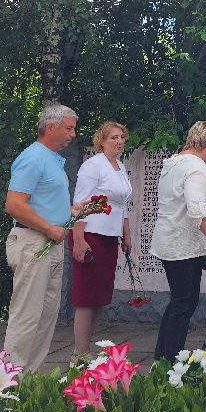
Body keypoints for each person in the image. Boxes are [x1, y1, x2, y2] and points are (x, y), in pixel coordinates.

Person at [3, 103, 79, 371]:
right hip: (34, 242)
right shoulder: (33, 157)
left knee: (45, 319)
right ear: (50, 127)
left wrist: (70, 212)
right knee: (27, 317)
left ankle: (28, 383)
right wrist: (49, 228)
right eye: (69, 128)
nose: (73, 134)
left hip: (49, 244)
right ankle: (8, 387)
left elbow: (40, 203)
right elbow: (14, 205)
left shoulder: (51, 160)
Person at [150, 120, 206, 361]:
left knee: (179, 301)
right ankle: (171, 362)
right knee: (185, 303)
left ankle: (161, 358)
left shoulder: (173, 164)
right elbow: (196, 206)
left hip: (170, 242)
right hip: (183, 246)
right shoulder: (196, 168)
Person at [69, 122, 133, 358]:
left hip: (109, 236)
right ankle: (80, 353)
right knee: (87, 296)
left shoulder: (120, 167)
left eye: (121, 137)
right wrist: (78, 239)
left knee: (99, 296)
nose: (119, 142)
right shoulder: (93, 166)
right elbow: (81, 203)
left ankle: (85, 348)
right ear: (101, 141)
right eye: (113, 138)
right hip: (90, 235)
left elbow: (122, 204)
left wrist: (126, 234)